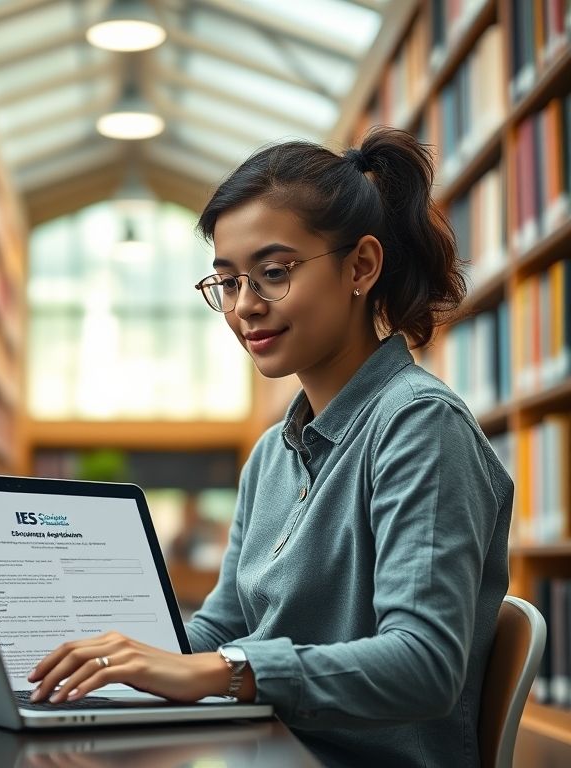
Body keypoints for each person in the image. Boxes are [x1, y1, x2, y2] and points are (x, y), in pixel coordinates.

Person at [28, 127, 513, 768]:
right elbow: (222, 627)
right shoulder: (271, 455)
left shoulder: (420, 427)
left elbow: (422, 663)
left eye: (274, 273)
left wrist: (221, 672)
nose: (245, 308)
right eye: (227, 282)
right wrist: (101, 653)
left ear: (361, 267)